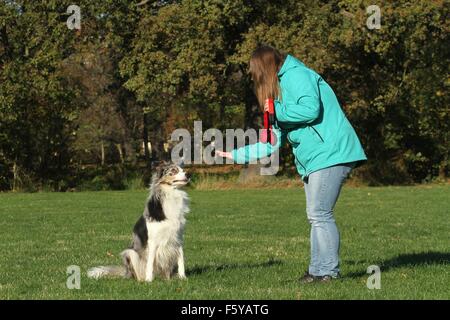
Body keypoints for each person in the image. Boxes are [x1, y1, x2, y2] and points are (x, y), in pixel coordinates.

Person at [215, 45, 367, 283]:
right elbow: (269, 142)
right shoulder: (276, 97)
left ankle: (327, 271)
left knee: (320, 214)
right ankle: (318, 271)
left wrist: (276, 110)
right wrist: (235, 155)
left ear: (266, 68)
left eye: (257, 74)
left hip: (331, 151)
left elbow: (310, 109)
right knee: (315, 215)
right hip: (314, 157)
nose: (257, 80)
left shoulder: (298, 75)